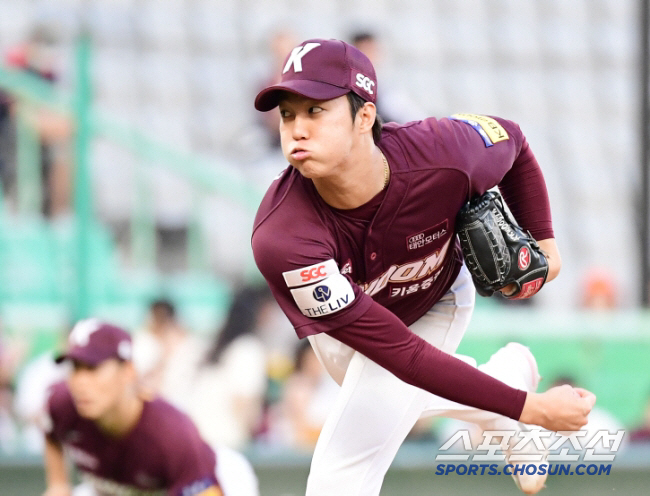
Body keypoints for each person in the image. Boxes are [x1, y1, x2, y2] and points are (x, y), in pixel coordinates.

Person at [251, 38, 596, 495]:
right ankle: (503, 382)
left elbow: (513, 141)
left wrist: (547, 246)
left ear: (365, 117)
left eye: (316, 111)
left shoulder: (444, 151)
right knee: (385, 392)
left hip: (436, 298)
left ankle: (500, 396)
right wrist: (527, 407)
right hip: (348, 329)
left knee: (341, 473)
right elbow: (399, 353)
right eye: (288, 114)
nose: (296, 129)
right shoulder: (283, 236)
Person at [42, 318, 226, 496]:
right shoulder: (62, 403)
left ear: (128, 371)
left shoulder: (172, 435)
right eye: (75, 367)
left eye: (92, 368)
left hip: (213, 477)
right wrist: (58, 484)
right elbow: (51, 433)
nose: (80, 382)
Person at [186, 286, 269, 451]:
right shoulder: (248, 348)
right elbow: (243, 406)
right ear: (259, 312)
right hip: (226, 444)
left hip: (197, 440)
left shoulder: (213, 345)